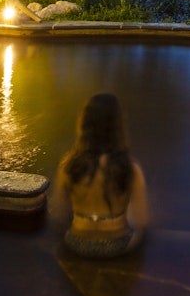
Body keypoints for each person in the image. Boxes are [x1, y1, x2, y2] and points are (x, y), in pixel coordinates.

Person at [50, 93, 149, 258]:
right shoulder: (130, 168)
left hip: (76, 242)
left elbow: (59, 213)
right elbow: (142, 221)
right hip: (117, 245)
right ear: (118, 126)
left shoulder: (68, 165)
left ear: (84, 124)